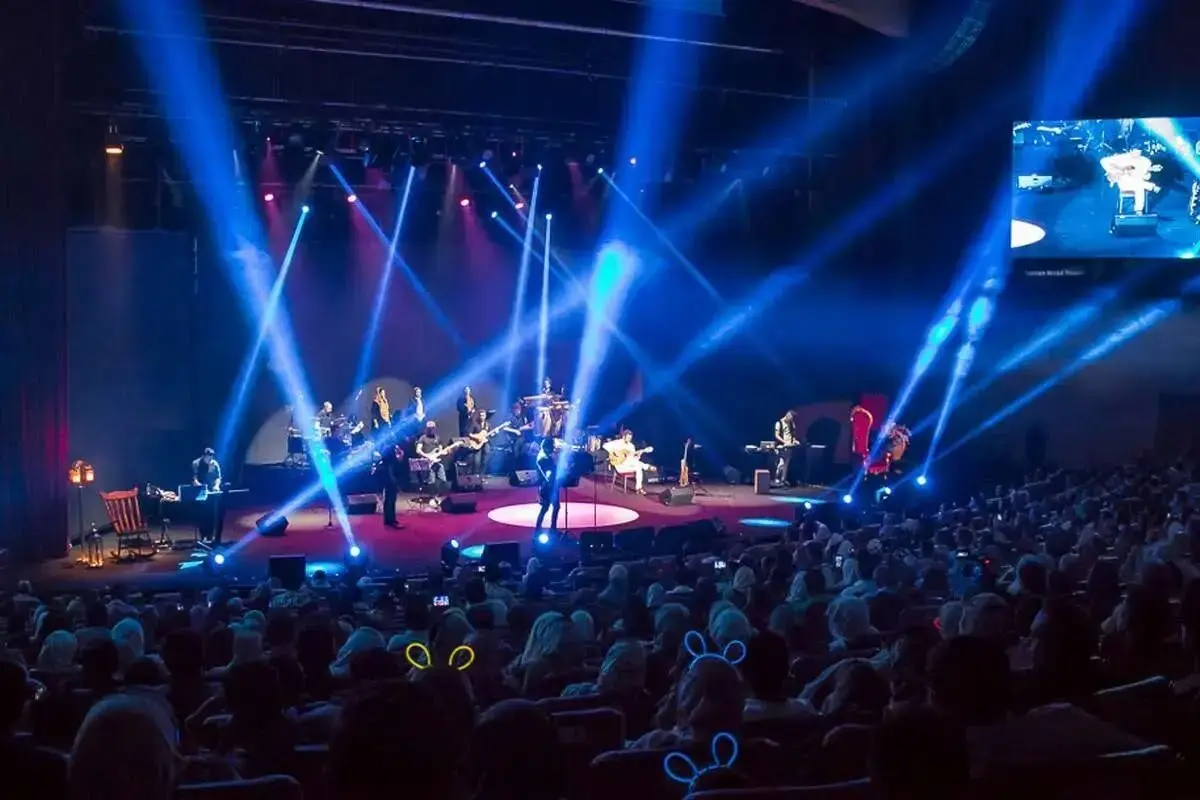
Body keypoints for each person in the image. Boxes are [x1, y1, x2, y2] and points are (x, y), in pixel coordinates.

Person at [190, 447, 226, 545]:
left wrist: (216, 485)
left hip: (212, 492)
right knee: (202, 514)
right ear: (203, 456)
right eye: (208, 457)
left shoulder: (214, 464)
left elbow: (218, 477)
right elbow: (194, 478)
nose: (210, 459)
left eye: (211, 457)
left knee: (212, 514)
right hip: (200, 492)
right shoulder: (196, 463)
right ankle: (203, 535)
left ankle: (211, 536)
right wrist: (200, 487)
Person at [604, 428, 650, 493]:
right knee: (638, 465)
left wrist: (638, 455)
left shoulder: (631, 446)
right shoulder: (617, 442)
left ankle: (638, 488)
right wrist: (614, 452)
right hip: (619, 465)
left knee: (638, 468)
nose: (629, 439)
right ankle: (646, 466)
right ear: (623, 436)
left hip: (628, 464)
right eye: (628, 438)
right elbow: (605, 445)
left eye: (630, 438)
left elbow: (632, 458)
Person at [535, 437, 561, 533]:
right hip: (547, 486)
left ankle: (551, 528)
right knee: (546, 507)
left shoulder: (545, 457)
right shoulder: (543, 459)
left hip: (551, 485)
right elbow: (549, 472)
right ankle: (540, 528)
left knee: (554, 506)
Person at [415, 421, 449, 491]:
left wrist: (445, 452)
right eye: (429, 428)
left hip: (436, 461)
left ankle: (440, 494)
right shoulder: (423, 438)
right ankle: (432, 495)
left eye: (433, 428)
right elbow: (418, 450)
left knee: (443, 480)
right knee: (431, 481)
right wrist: (428, 456)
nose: (431, 430)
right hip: (427, 462)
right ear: (426, 429)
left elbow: (440, 450)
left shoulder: (437, 438)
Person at [773, 409, 798, 485]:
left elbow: (793, 435)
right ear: (787, 415)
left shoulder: (792, 424)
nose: (791, 419)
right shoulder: (779, 423)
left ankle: (783, 479)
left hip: (789, 446)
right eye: (791, 417)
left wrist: (794, 441)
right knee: (781, 463)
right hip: (781, 446)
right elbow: (776, 435)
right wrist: (784, 442)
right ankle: (777, 478)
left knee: (787, 464)